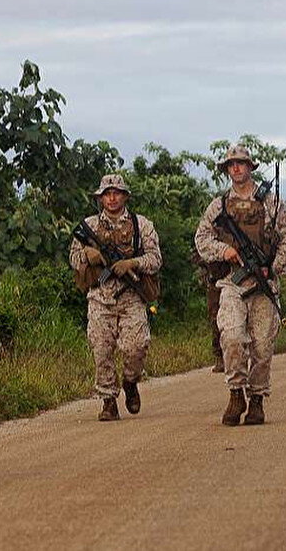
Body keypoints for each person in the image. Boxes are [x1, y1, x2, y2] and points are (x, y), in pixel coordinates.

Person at [194, 145, 286, 426]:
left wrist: (273, 269)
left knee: (263, 345)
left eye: (241, 163)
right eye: (231, 165)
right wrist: (223, 251)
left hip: (263, 283)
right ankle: (236, 392)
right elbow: (202, 239)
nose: (236, 168)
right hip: (232, 282)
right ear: (227, 170)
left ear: (250, 167)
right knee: (232, 336)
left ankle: (257, 399)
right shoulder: (219, 206)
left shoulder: (270, 203)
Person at [69, 174, 163, 421]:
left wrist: (131, 263)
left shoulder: (141, 225)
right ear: (100, 198)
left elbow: (155, 260)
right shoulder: (88, 227)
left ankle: (131, 382)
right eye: (106, 194)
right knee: (101, 349)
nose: (111, 198)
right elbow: (73, 259)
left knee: (137, 346)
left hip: (131, 296)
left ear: (125, 196)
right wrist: (88, 255)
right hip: (100, 297)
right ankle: (108, 400)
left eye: (116, 193)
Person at [191, 241, 228, 372]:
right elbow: (196, 255)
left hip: (231, 280)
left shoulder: (229, 232)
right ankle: (219, 357)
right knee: (215, 320)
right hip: (214, 283)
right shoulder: (207, 234)